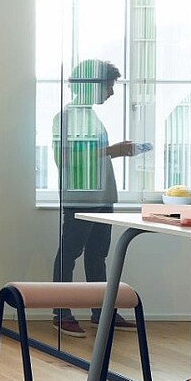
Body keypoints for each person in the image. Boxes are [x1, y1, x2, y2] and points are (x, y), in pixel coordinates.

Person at [50, 59, 149, 337]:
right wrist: (113, 150)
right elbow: (65, 159)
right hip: (81, 198)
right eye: (109, 86)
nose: (112, 92)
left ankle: (101, 313)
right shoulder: (67, 116)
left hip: (101, 197)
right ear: (92, 85)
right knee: (70, 254)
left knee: (97, 255)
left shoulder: (90, 115)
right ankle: (61, 313)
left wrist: (115, 151)